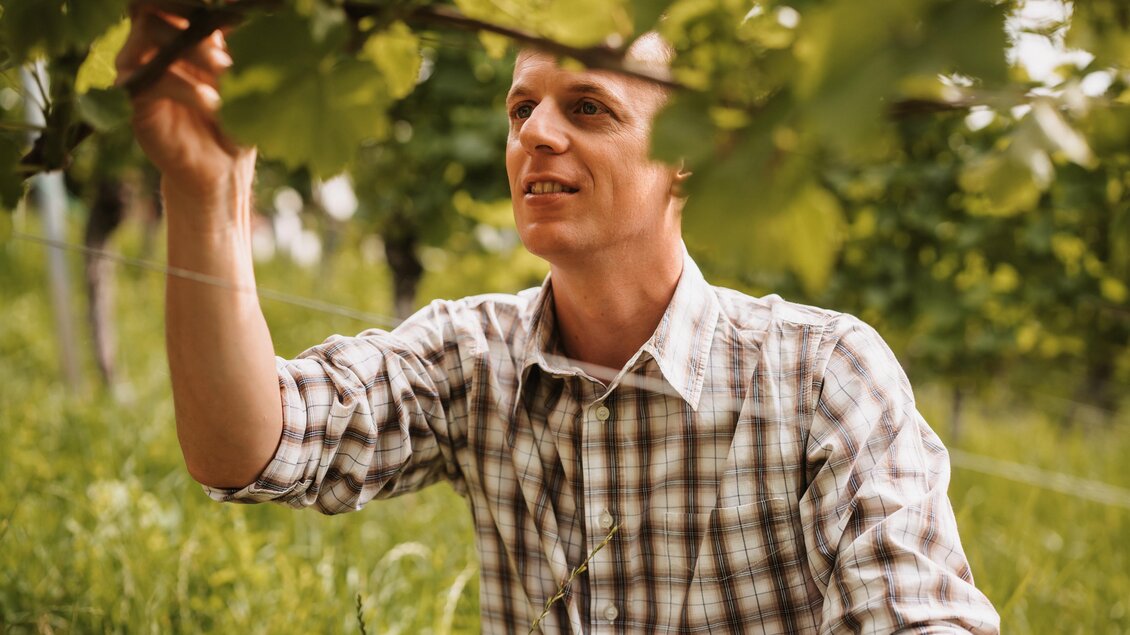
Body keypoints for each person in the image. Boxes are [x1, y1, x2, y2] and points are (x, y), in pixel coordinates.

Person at [117, 3, 1001, 633]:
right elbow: (252, 447)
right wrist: (207, 191)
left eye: (587, 107)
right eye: (521, 107)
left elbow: (919, 617)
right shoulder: (472, 356)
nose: (534, 132)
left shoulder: (823, 374)